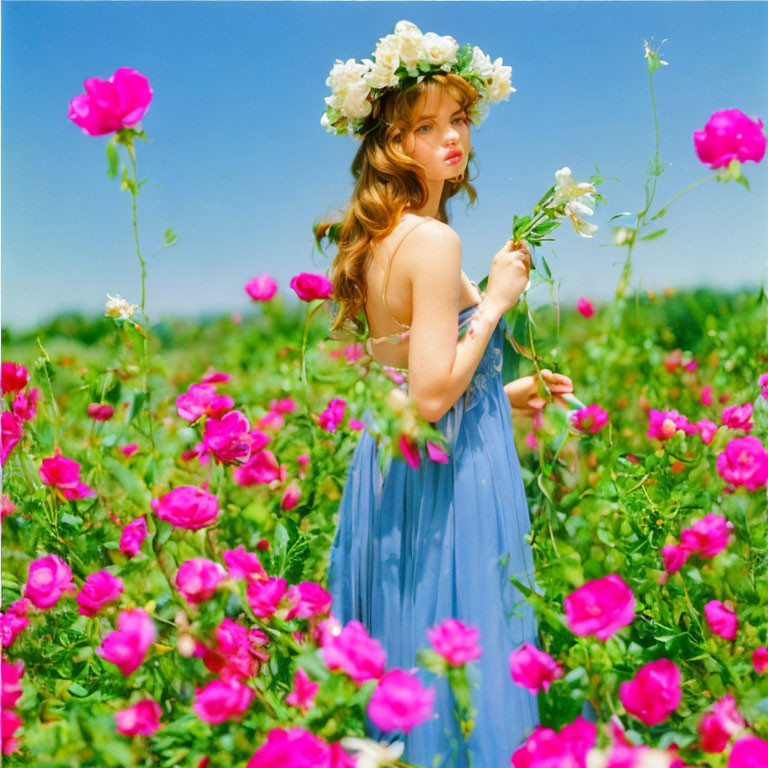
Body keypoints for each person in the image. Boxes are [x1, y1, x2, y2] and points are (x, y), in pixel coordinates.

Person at [321, 22, 574, 767]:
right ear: (391, 143)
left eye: (458, 119)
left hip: (393, 465)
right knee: (464, 661)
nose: (451, 138)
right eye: (425, 126)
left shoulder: (381, 236)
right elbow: (431, 395)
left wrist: (506, 390)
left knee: (407, 659)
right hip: (445, 475)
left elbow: (411, 369)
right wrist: (494, 302)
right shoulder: (433, 243)